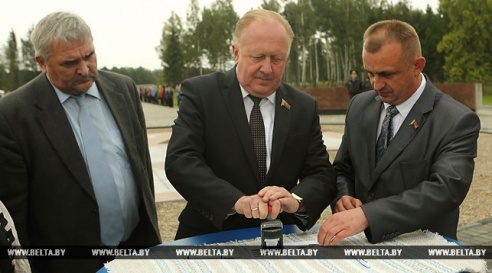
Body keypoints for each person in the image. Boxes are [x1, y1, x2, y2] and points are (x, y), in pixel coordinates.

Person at [0, 12, 161, 272]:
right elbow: (14, 213)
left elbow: (141, 169)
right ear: (42, 62)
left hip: (136, 249)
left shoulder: (123, 88)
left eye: (89, 56)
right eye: (70, 62)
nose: (85, 69)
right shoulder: (13, 114)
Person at [165, 9, 337, 239]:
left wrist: (295, 201)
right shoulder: (201, 94)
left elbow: (321, 173)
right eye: (258, 57)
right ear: (235, 52)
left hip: (282, 235)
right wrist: (235, 201)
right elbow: (181, 161)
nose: (267, 68)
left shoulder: (303, 106)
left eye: (277, 59)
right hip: (210, 233)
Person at [317, 20, 480, 246]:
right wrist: (343, 196)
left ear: (417, 66)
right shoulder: (359, 106)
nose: (376, 85)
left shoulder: (456, 120)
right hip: (362, 247)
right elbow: (344, 168)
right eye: (370, 74)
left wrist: (368, 215)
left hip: (424, 250)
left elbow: (444, 191)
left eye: (386, 74)